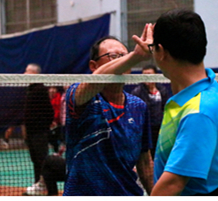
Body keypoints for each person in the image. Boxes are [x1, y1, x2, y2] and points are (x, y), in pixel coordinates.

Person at [149, 10, 218, 195]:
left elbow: (172, 183)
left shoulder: (198, 113)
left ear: (162, 52)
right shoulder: (210, 85)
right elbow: (178, 78)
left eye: (153, 48)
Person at [64, 29, 154, 195]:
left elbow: (145, 162)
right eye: (113, 56)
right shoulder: (80, 96)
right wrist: (135, 56)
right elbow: (91, 84)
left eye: (124, 56)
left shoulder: (138, 106)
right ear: (94, 66)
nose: (122, 61)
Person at [23, 63, 54, 197]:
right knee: (36, 160)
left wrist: (43, 127)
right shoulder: (30, 89)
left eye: (27, 71)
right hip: (31, 132)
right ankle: (38, 183)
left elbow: (49, 111)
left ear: (35, 74)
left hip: (39, 132)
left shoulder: (40, 89)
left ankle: (46, 185)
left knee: (42, 160)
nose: (24, 74)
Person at [130, 64, 171, 149]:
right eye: (144, 75)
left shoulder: (162, 90)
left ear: (156, 75)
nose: (147, 77)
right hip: (145, 130)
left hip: (160, 129)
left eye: (149, 74)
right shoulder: (137, 92)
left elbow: (166, 109)